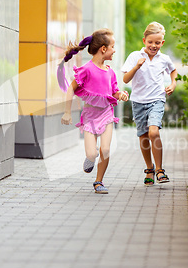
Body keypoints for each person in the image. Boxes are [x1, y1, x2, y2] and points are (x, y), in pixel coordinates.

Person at [60, 29, 129, 194]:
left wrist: (121, 94)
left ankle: (99, 181)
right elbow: (71, 88)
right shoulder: (87, 69)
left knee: (105, 150)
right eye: (113, 47)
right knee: (92, 154)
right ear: (103, 49)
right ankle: (90, 159)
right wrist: (67, 112)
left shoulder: (110, 72)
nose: (114, 50)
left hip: (106, 114)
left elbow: (114, 92)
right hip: (90, 117)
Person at [121, 22, 178, 186]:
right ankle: (149, 168)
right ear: (144, 40)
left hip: (157, 100)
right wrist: (136, 67)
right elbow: (125, 79)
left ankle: (160, 169)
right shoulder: (134, 56)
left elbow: (173, 70)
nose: (154, 46)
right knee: (144, 136)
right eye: (150, 42)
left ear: (162, 43)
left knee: (154, 132)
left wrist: (173, 84)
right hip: (138, 101)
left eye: (157, 42)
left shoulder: (164, 58)